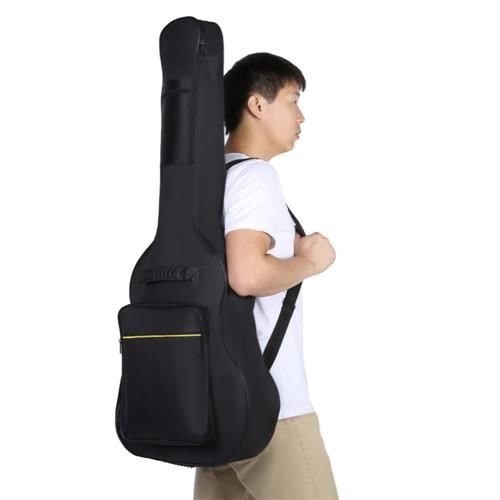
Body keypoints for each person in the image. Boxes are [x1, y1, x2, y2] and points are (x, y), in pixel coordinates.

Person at [193, 52, 339, 500]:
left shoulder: (205, 180)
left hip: (215, 404)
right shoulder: (255, 177)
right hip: (272, 408)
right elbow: (247, 275)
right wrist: (311, 262)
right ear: (257, 104)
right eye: (293, 100)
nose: (301, 116)